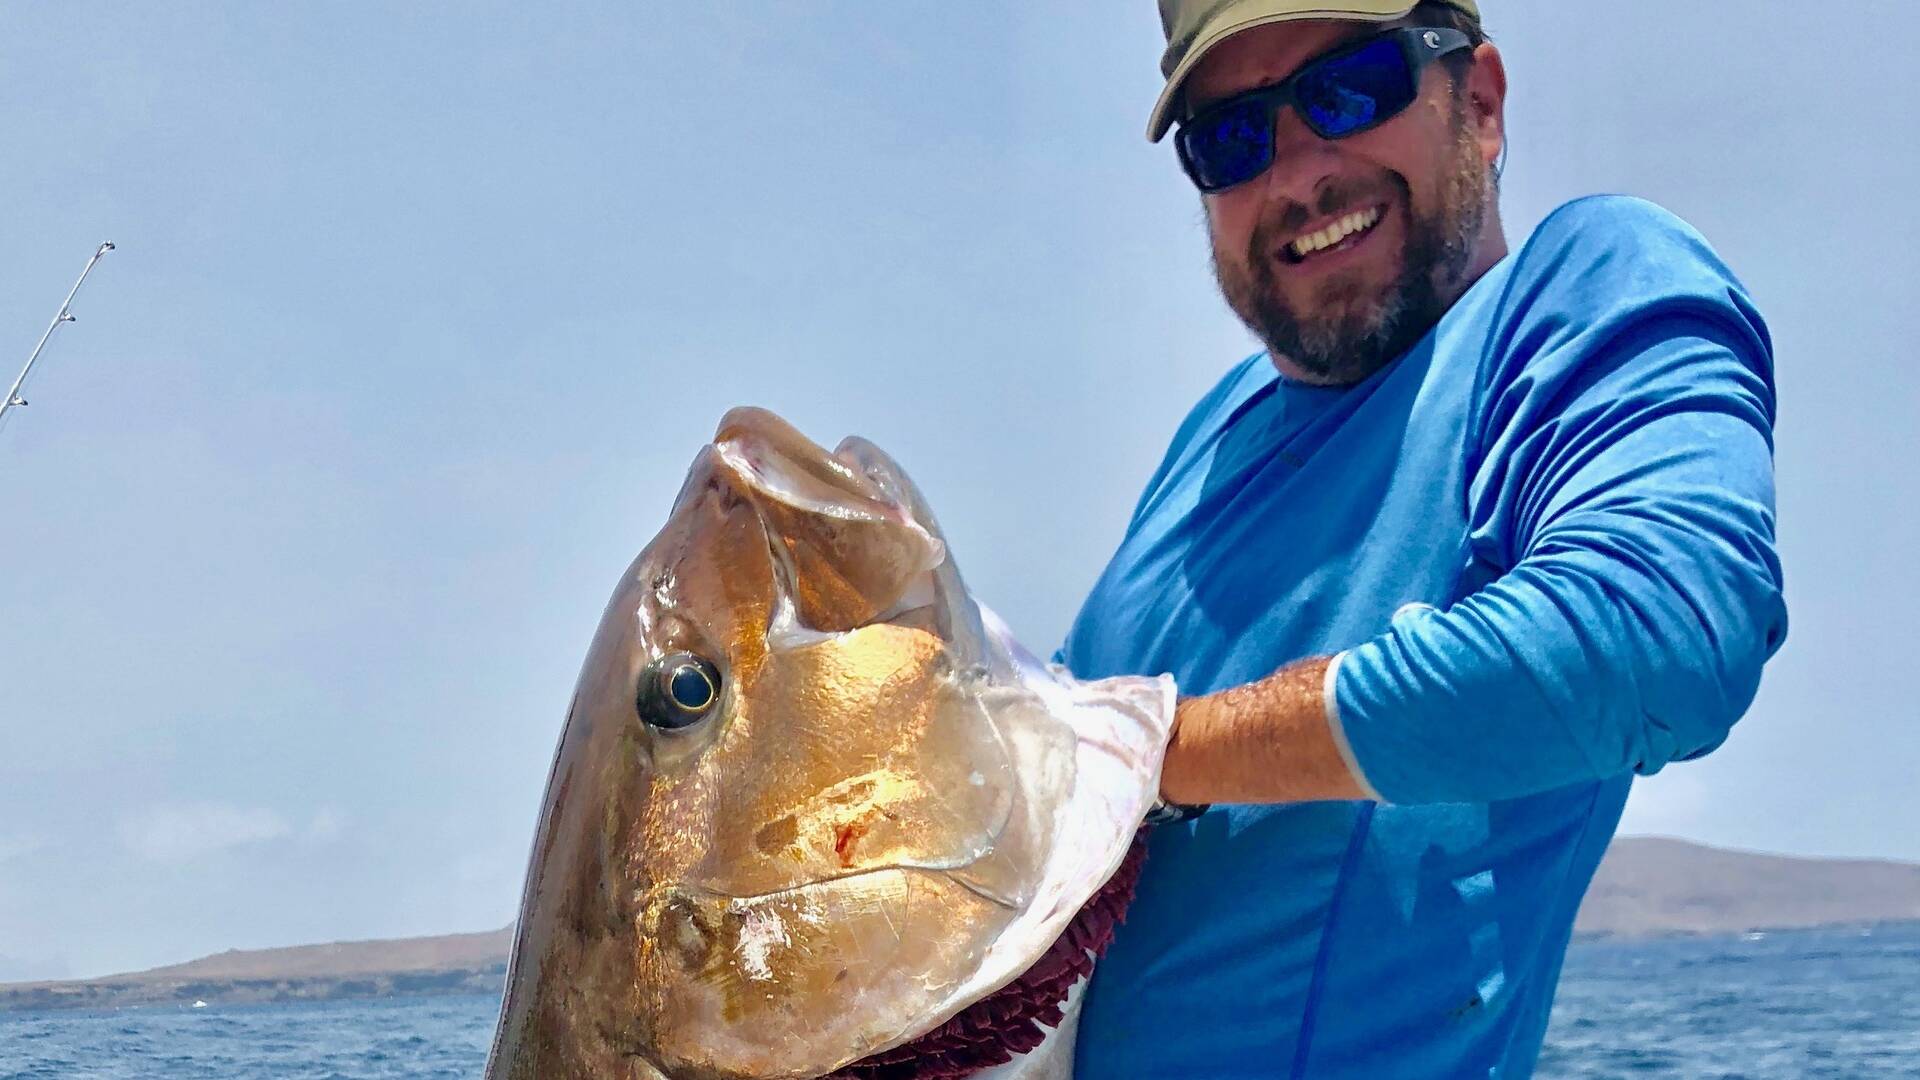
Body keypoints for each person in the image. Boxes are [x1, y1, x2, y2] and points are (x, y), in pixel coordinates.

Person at [1054, 1, 1788, 1075]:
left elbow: (1654, 637)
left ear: (1479, 101)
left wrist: (1150, 756)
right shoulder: (1202, 445)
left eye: (1349, 89)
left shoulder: (1581, 288)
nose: (1298, 174)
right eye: (1232, 137)